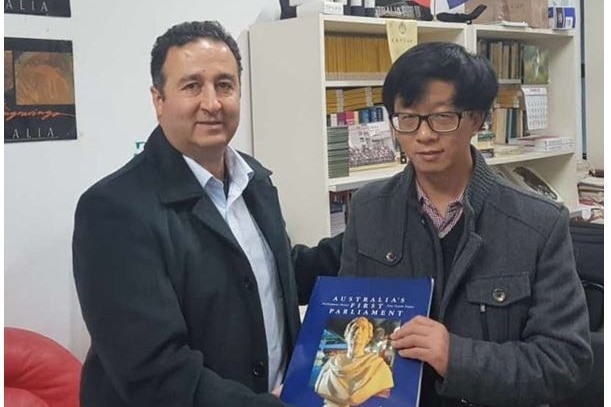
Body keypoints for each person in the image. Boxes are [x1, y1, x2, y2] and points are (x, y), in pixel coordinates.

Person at [72, 20, 341, 407]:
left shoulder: (255, 180)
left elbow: (271, 275)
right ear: (158, 99)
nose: (212, 103)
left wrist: (369, 232)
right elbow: (155, 374)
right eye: (192, 85)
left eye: (225, 85)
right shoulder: (114, 210)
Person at [338, 42, 592, 407]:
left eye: (442, 117)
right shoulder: (369, 209)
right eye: (407, 118)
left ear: (477, 119)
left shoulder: (538, 223)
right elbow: (349, 327)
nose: (423, 135)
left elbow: (564, 361)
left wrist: (455, 356)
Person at [314, 317, 394, 407]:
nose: (357, 333)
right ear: (346, 334)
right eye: (354, 329)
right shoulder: (330, 364)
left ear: (368, 337)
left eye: (363, 330)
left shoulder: (378, 367)